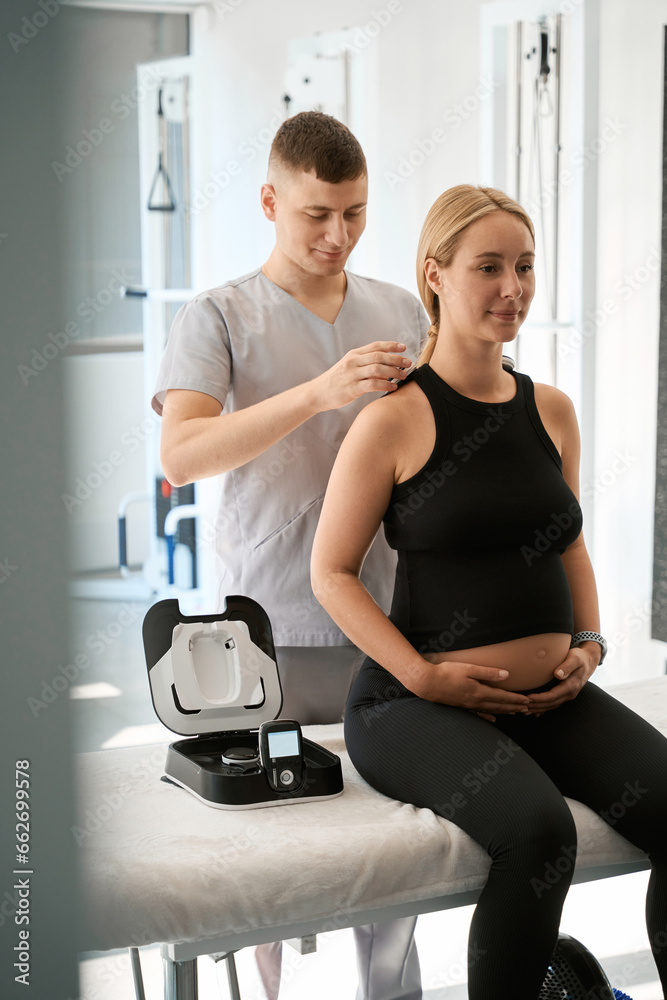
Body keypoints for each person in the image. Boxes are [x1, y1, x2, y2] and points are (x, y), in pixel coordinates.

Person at [311, 183, 667, 1000]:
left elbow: (568, 544)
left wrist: (589, 644)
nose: (512, 287)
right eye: (488, 267)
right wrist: (423, 676)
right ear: (434, 275)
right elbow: (329, 574)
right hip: (410, 705)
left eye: (524, 266)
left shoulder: (551, 410)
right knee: (538, 834)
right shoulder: (392, 419)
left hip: (548, 698)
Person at [153, 111, 428, 1000]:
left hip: (386, 618)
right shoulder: (219, 314)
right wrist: (318, 392)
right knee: (270, 856)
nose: (337, 234)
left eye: (353, 212)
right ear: (271, 202)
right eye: (316, 214)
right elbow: (182, 454)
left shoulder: (401, 310)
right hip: (268, 625)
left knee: (394, 852)